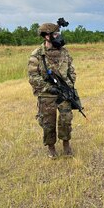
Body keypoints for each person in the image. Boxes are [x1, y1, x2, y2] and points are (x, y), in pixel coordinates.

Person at [28, 21, 76, 158]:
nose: (58, 36)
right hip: (47, 94)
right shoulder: (37, 54)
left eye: (58, 33)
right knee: (48, 122)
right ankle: (51, 148)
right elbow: (33, 77)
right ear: (47, 36)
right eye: (55, 34)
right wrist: (49, 88)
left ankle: (66, 144)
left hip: (64, 93)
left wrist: (68, 85)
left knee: (66, 119)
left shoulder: (64, 52)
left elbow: (72, 71)